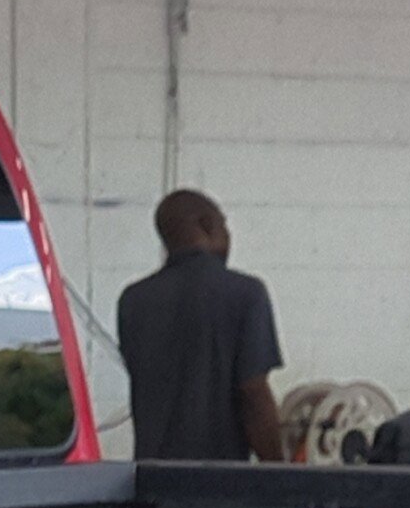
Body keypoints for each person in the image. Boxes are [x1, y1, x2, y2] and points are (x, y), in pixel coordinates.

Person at [114, 188, 286, 460]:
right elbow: (253, 394)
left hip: (151, 479)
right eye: (224, 226)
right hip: (220, 482)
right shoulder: (246, 293)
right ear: (207, 225)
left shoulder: (133, 301)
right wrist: (279, 471)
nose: (229, 236)